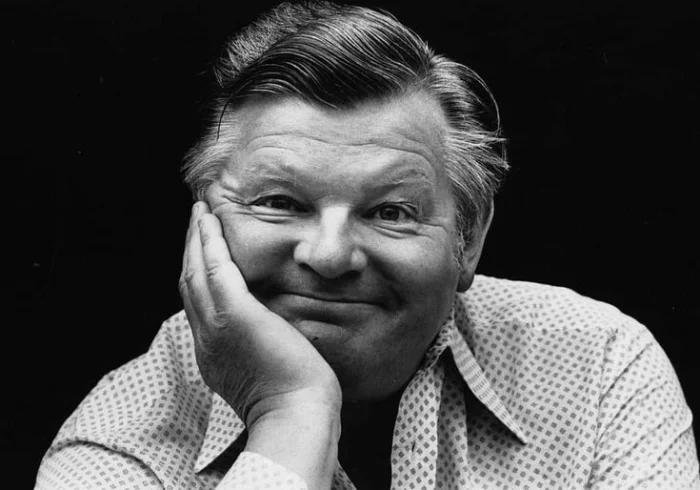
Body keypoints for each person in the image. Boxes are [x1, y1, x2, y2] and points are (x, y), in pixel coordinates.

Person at [35, 1, 699, 488]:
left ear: (468, 239)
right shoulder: (115, 453)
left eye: (389, 211)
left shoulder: (598, 365)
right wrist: (291, 413)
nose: (328, 257)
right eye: (279, 203)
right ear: (202, 225)